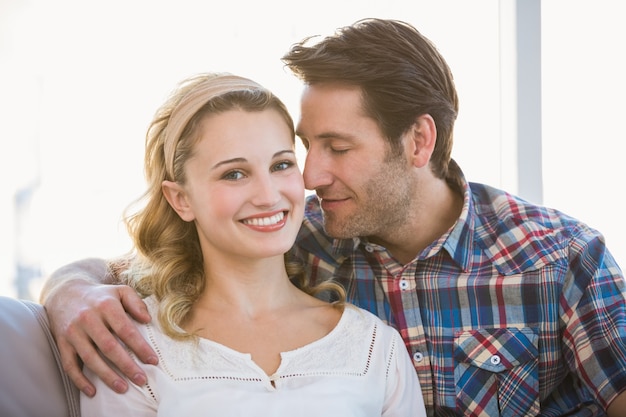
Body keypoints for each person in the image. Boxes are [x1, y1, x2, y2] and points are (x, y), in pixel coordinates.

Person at [41, 18, 626, 416]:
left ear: (419, 140)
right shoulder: (295, 233)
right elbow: (140, 264)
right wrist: (66, 290)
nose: (311, 176)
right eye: (304, 147)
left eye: (338, 148)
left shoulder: (557, 257)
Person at [74, 72, 424, 416]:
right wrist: (67, 286)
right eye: (234, 174)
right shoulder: (133, 347)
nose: (269, 196)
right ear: (181, 199)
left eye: (281, 165)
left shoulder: (374, 346)